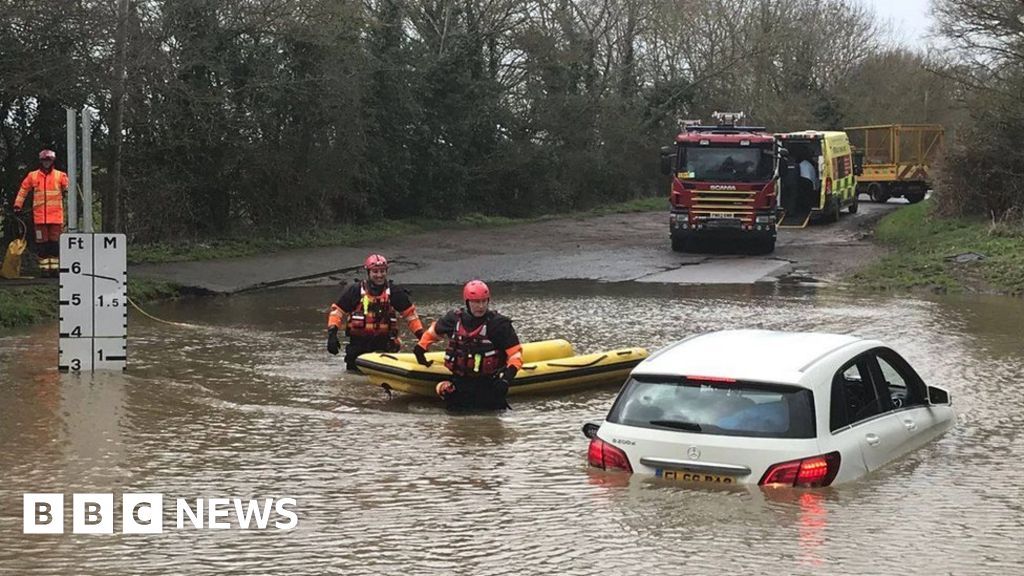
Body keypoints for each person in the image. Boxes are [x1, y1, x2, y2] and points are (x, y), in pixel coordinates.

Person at [412, 280, 523, 410]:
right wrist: (421, 348)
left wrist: (505, 380)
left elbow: (515, 355)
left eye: (484, 301)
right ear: (467, 302)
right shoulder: (453, 319)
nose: (481, 306)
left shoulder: (499, 324)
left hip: (489, 384)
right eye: (476, 302)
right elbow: (432, 333)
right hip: (460, 383)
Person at [326, 254, 425, 371]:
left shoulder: (395, 292)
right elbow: (337, 312)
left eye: (382, 271)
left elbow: (410, 316)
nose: (379, 275)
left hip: (385, 344)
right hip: (358, 345)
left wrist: (422, 339)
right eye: (375, 272)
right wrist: (332, 335)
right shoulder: (354, 290)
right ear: (368, 272)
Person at [13, 149, 69, 276]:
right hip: (40, 217)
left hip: (55, 217)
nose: (46, 163)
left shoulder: (60, 176)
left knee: (54, 244)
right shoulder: (33, 175)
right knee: (42, 244)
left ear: (52, 161)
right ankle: (44, 269)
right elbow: (23, 190)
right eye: (44, 160)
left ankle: (54, 269)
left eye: (49, 160)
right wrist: (17, 205)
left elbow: (69, 190)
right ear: (41, 161)